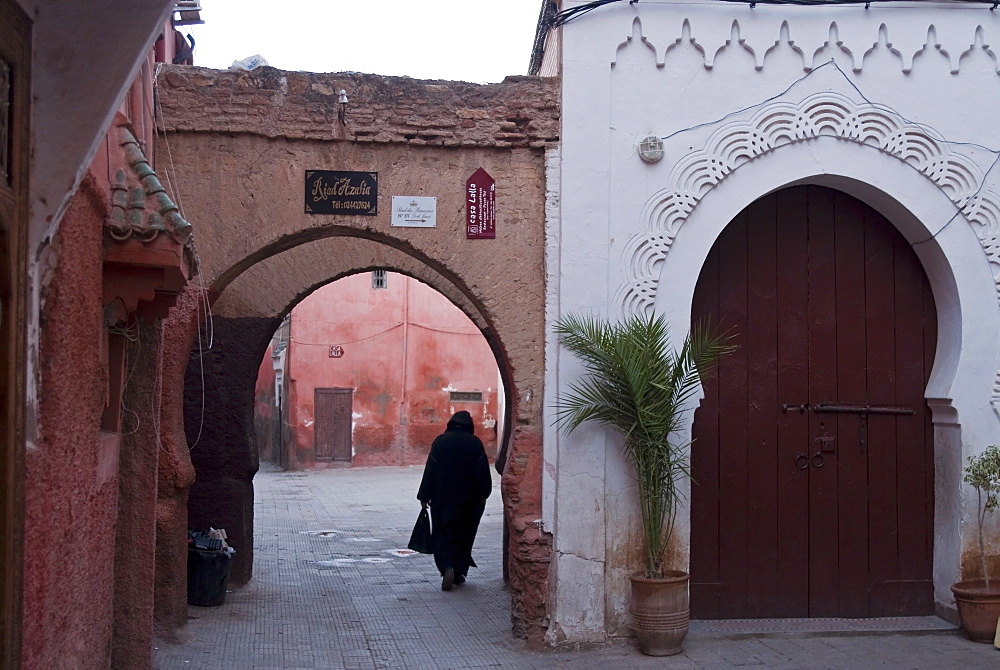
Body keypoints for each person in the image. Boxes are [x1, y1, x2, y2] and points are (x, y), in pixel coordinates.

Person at [417, 410, 493, 591]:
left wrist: (424, 496)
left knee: (443, 533)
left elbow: (431, 470)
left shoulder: (440, 442)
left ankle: (447, 567)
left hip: (442, 499)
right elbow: (482, 472)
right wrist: (484, 494)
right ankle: (459, 571)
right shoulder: (475, 444)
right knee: (464, 534)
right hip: (470, 500)